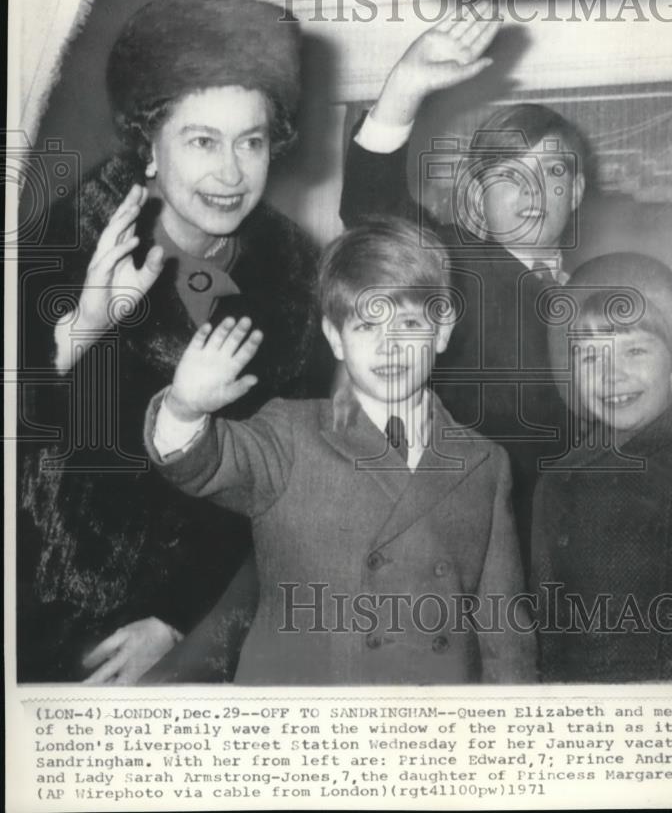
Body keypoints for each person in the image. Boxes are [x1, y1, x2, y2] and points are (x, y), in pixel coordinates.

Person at [17, 0, 330, 683]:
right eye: (201, 141)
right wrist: (78, 334)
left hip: (203, 621)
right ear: (148, 145)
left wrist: (174, 616)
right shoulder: (52, 254)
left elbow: (280, 478)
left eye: (250, 142)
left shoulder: (294, 276)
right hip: (44, 627)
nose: (230, 174)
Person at [145, 218, 537, 685]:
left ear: (443, 331)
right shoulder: (290, 433)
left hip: (434, 725)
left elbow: (504, 630)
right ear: (335, 337)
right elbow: (206, 464)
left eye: (410, 323)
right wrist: (185, 409)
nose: (390, 346)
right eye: (368, 325)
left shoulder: (485, 463)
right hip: (308, 723)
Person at [340, 8, 590, 572]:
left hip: (581, 561)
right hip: (468, 561)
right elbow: (370, 213)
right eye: (508, 172)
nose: (533, 189)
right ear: (477, 196)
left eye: (552, 173)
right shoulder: (454, 264)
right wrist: (403, 89)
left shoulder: (603, 296)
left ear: (575, 191)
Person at [531, 252, 672, 682]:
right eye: (590, 356)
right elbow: (551, 634)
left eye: (634, 350)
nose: (612, 375)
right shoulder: (559, 479)